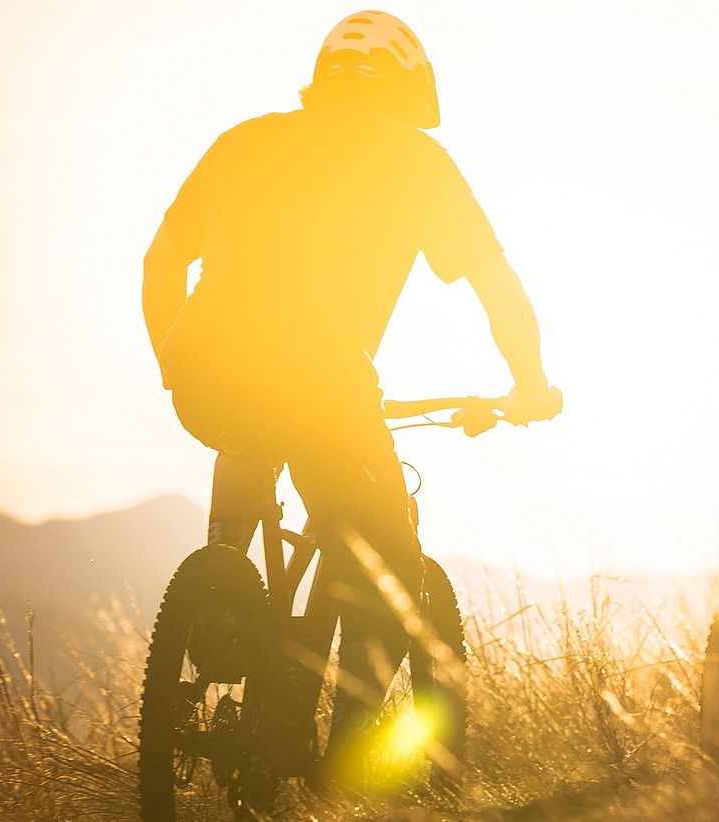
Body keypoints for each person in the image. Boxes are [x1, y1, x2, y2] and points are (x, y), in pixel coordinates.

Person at [140, 10, 561, 783]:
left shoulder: (245, 140)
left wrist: (174, 364)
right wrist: (530, 384)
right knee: (390, 561)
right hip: (323, 380)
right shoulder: (415, 159)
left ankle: (226, 581)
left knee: (247, 435)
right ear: (407, 89)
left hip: (204, 374)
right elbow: (498, 288)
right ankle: (338, 764)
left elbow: (162, 260)